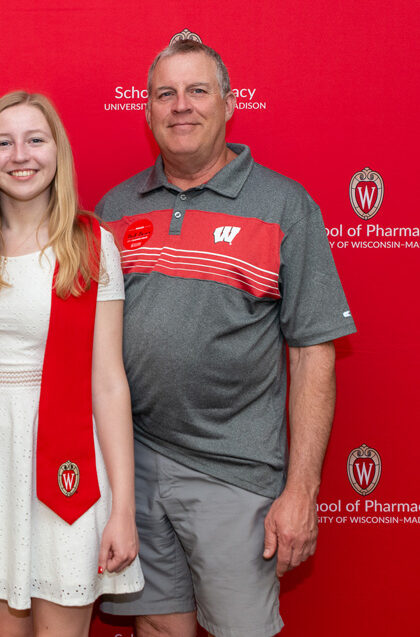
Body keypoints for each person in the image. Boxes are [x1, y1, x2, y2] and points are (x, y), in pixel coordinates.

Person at [96, 39, 356, 637]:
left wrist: (301, 491)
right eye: (165, 94)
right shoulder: (115, 207)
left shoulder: (284, 206)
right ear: (147, 111)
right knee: (159, 629)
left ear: (229, 104)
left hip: (234, 474)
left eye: (197, 91)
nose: (180, 106)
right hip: (130, 468)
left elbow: (314, 354)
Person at [0, 91, 143, 637]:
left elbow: (109, 383)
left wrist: (124, 507)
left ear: (58, 152)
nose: (19, 155)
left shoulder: (92, 245)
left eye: (35, 139)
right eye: (3, 142)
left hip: (68, 458)